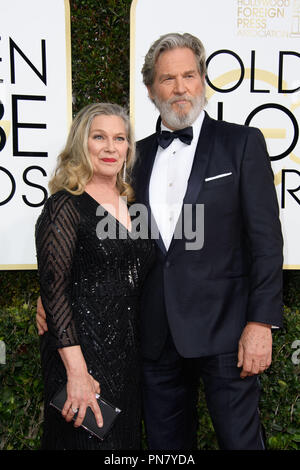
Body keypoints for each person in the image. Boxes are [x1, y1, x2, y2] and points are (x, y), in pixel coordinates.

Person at [37, 33, 283, 450]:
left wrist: (261, 323)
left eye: (189, 75)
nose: (180, 87)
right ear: (151, 89)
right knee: (166, 448)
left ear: (203, 79)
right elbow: (101, 232)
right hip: (152, 337)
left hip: (226, 333)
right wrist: (54, 291)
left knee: (241, 443)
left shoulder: (241, 143)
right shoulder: (135, 156)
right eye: (168, 79)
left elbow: (266, 241)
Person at [35, 102, 154, 450]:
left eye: (120, 138)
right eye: (98, 137)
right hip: (81, 356)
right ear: (81, 144)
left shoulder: (135, 208)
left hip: (128, 357)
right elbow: (55, 290)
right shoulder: (64, 206)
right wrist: (76, 373)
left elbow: (141, 274)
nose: (110, 147)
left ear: (128, 148)